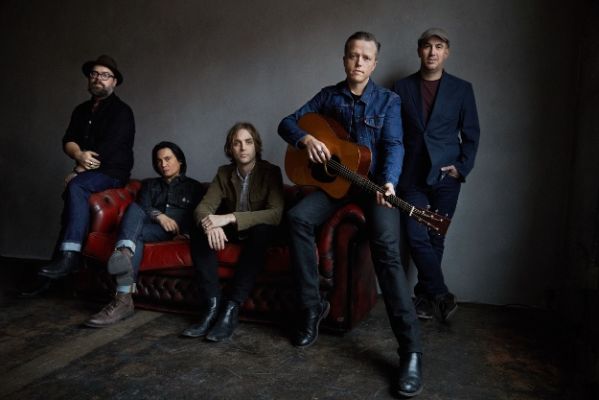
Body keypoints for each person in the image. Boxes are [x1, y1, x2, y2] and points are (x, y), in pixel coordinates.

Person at [278, 32, 423, 398]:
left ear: (374, 64)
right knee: (296, 218)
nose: (358, 62)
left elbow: (393, 145)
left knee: (388, 254)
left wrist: (389, 183)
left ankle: (410, 352)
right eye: (352, 56)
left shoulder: (387, 101)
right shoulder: (329, 96)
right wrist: (305, 140)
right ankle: (312, 308)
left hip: (374, 187)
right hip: (336, 187)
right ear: (344, 60)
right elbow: (287, 123)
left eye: (365, 57)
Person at [21, 55, 135, 297]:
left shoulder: (122, 112)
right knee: (71, 208)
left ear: (114, 81)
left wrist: (79, 169)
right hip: (90, 170)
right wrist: (78, 156)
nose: (98, 79)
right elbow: (69, 140)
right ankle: (54, 275)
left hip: (113, 172)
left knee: (77, 187)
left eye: (104, 75)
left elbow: (110, 148)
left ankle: (70, 257)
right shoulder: (81, 110)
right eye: (94, 74)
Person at [392, 28, 480, 322]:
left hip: (446, 178)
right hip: (413, 177)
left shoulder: (461, 89)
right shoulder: (401, 87)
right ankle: (441, 293)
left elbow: (471, 134)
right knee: (417, 236)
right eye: (427, 46)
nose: (432, 52)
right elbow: (393, 133)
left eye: (438, 46)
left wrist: (461, 167)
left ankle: (425, 299)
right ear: (419, 51)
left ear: (446, 52)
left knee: (435, 237)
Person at [181, 123, 284, 342]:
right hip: (235, 233)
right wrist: (211, 224)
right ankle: (212, 305)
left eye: (248, 142)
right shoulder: (223, 172)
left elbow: (275, 214)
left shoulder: (271, 172)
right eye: (237, 143)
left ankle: (231, 308)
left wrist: (229, 217)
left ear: (256, 146)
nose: (243, 148)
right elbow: (202, 208)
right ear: (230, 148)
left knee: (263, 230)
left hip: (258, 232)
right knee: (199, 227)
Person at [85, 141, 205, 327]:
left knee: (135, 228)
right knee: (135, 211)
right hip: (153, 229)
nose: (163, 164)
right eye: (158, 161)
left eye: (167, 159)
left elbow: (199, 213)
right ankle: (124, 282)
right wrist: (159, 216)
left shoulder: (194, 187)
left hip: (174, 233)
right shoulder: (149, 185)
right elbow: (144, 207)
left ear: (180, 161)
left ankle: (123, 256)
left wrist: (187, 234)